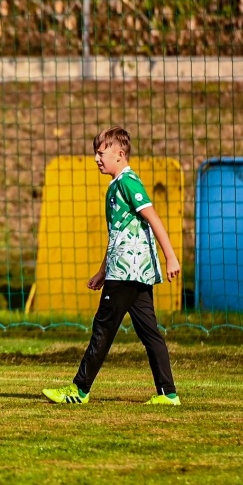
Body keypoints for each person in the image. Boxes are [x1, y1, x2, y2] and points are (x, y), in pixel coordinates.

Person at [43, 126, 182, 406]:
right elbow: (119, 233)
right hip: (130, 271)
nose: (96, 158)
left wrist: (171, 256)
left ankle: (79, 390)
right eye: (96, 152)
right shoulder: (116, 185)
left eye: (100, 152)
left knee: (103, 329)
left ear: (120, 154)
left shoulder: (129, 183)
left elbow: (154, 219)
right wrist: (101, 271)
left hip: (128, 271)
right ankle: (168, 394)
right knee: (149, 331)